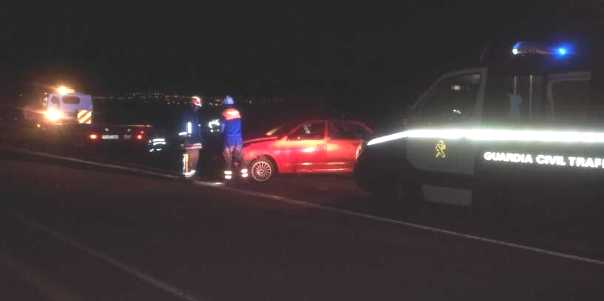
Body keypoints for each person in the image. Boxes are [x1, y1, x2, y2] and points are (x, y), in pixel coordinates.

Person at [220, 95, 246, 180]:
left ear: (225, 104)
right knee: (240, 158)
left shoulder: (224, 113)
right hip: (238, 139)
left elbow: (222, 128)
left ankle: (228, 179)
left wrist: (220, 131)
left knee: (228, 160)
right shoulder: (237, 112)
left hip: (228, 139)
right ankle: (244, 177)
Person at [178, 96, 203, 178]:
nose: (198, 108)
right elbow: (185, 127)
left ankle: (191, 173)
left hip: (195, 139)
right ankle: (187, 174)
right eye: (197, 106)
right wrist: (186, 138)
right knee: (189, 156)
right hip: (190, 139)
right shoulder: (188, 114)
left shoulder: (195, 114)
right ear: (193, 105)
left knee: (194, 157)